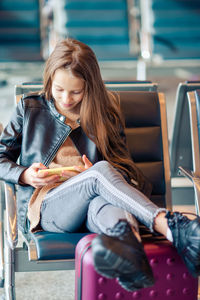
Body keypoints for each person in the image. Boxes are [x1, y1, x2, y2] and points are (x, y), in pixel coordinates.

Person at [0, 38, 200, 291]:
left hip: (96, 203)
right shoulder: (29, 108)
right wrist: (25, 175)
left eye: (76, 91)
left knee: (111, 213)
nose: (66, 98)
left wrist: (90, 174)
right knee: (99, 173)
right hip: (48, 207)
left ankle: (132, 262)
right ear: (49, 79)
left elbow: (125, 169)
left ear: (90, 86)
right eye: (59, 89)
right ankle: (173, 227)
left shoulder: (105, 113)